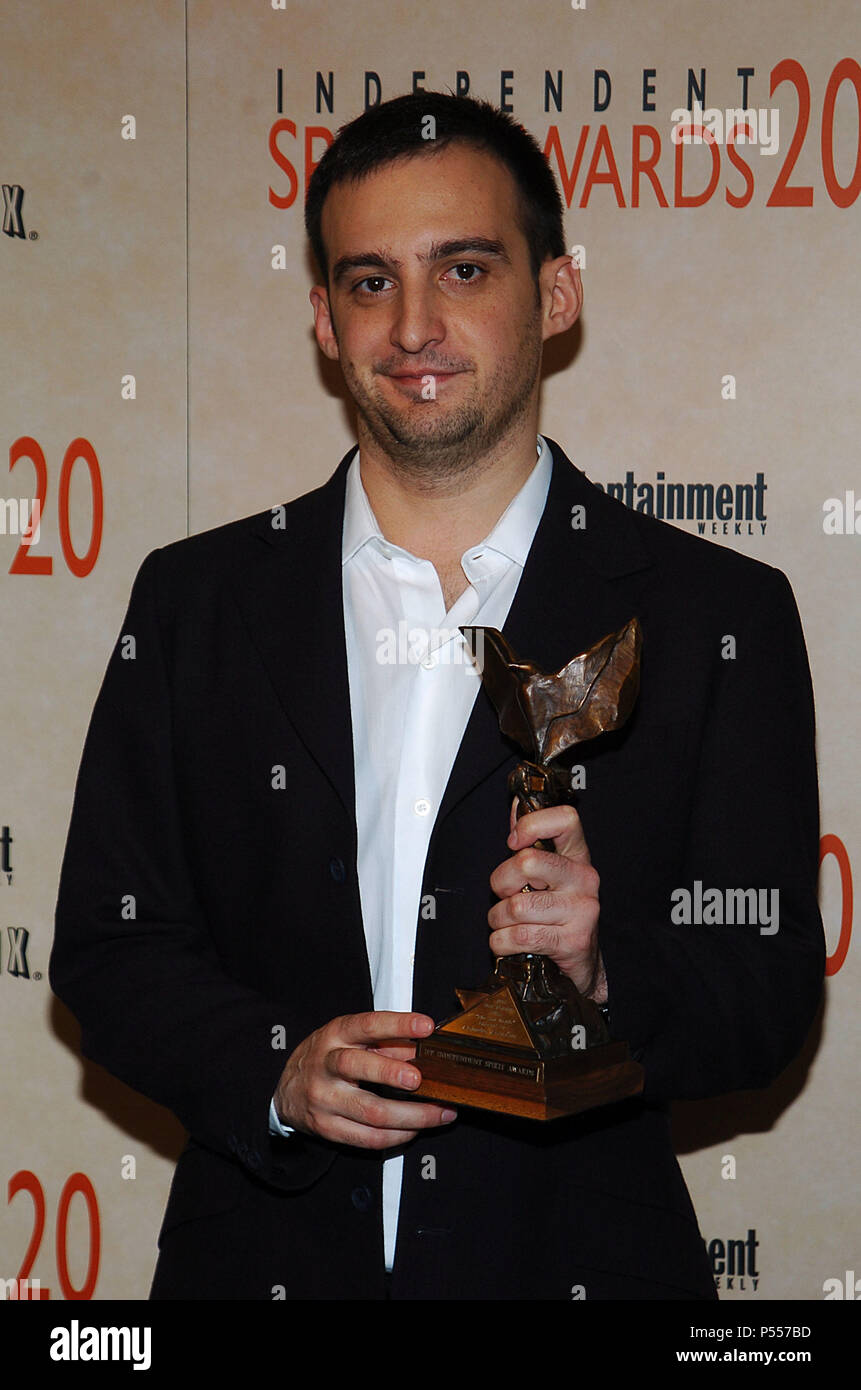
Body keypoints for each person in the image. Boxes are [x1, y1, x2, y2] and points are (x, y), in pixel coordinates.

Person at [51, 91, 825, 1301]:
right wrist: (277, 1072)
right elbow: (111, 944)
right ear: (322, 317)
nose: (414, 325)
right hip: (257, 1266)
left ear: (555, 293)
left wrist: (606, 972)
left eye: (464, 267)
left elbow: (766, 987)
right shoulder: (197, 602)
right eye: (369, 282)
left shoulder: (714, 614)